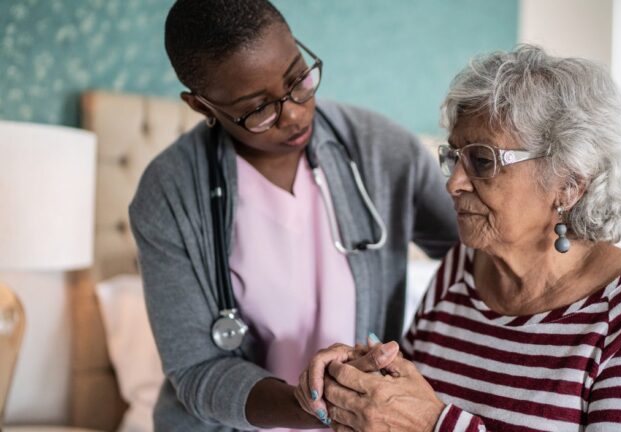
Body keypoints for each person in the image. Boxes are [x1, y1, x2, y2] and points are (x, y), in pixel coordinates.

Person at [297, 45, 621, 431]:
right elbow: (410, 404)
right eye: (454, 157)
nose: (453, 183)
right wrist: (364, 381)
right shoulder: (462, 269)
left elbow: (424, 419)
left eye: (481, 160)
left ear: (568, 184)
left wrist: (434, 426)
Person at [128, 0, 458, 430]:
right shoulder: (168, 194)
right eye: (258, 108)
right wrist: (321, 406)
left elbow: (481, 249)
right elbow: (197, 371)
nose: (296, 113)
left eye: (298, 78)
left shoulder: (382, 150)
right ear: (202, 106)